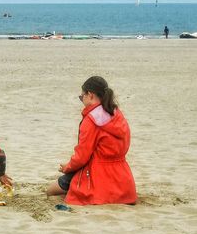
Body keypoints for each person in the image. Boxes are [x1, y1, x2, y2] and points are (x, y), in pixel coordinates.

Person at [46, 76, 137, 205]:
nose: (81, 99)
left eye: (81, 96)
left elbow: (82, 157)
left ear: (90, 95)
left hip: (97, 178)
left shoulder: (91, 120)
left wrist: (68, 167)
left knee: (50, 191)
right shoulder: (116, 114)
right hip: (124, 183)